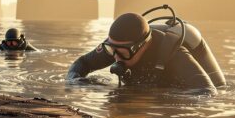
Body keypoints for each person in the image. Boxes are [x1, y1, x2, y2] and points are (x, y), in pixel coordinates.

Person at [67, 11, 225, 91]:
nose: (116, 58)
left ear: (142, 45)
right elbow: (82, 63)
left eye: (122, 52)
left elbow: (206, 91)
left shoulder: (173, 53)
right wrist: (75, 80)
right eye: (111, 49)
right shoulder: (118, 48)